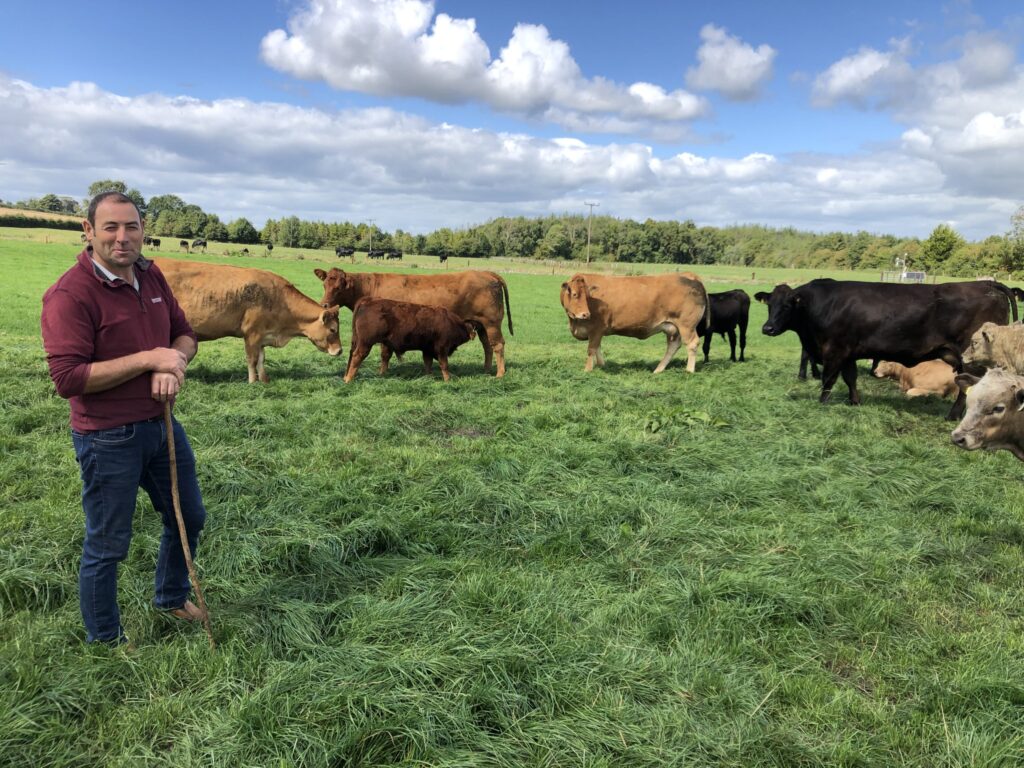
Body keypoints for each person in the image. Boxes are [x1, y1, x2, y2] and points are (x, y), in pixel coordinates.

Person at [41, 191, 208, 645]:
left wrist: (172, 363)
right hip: (107, 438)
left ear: (142, 230)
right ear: (88, 231)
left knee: (189, 517)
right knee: (109, 542)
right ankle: (105, 639)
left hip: (162, 426)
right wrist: (150, 358)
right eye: (110, 227)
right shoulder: (70, 294)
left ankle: (171, 596)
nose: (122, 237)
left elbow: (185, 335)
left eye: (131, 226)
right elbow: (68, 378)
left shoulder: (151, 277)